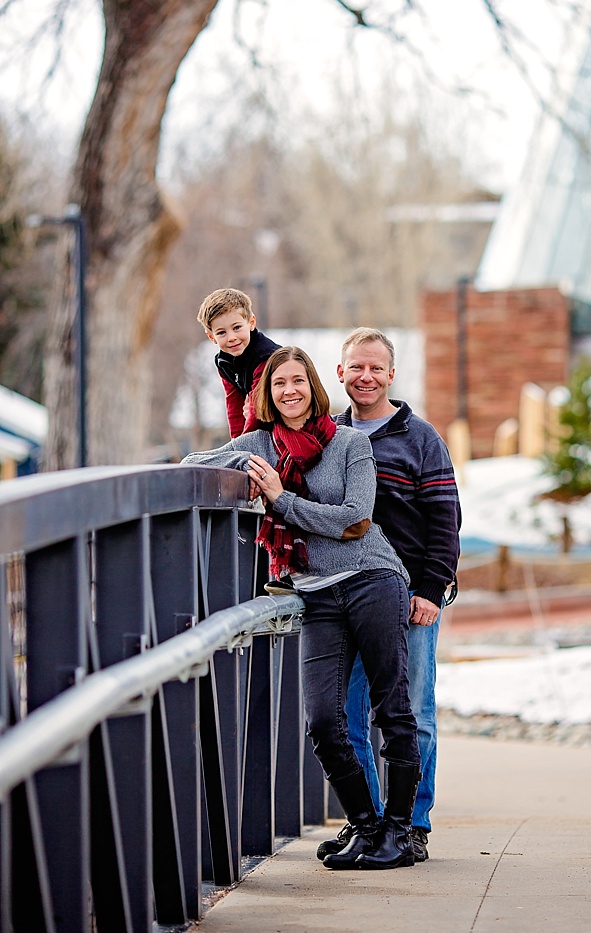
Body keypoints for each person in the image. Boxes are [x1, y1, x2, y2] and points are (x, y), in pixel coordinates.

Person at [182, 346, 422, 871]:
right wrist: (233, 467)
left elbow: (355, 519)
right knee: (322, 719)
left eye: (297, 380)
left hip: (372, 580)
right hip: (316, 592)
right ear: (265, 395)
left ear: (314, 386)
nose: (289, 390)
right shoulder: (260, 444)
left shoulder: (350, 443)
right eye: (277, 383)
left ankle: (400, 833)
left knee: (392, 708)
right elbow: (192, 466)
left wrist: (279, 498)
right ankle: (365, 827)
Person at [312, 327, 460, 867]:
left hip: (411, 599)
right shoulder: (325, 438)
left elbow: (446, 521)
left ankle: (413, 824)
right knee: (349, 716)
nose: (366, 377)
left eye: (376, 368)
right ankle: (369, 823)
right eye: (357, 367)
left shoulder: (421, 439)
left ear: (391, 375)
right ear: (340, 373)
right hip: (343, 596)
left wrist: (430, 589)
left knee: (413, 712)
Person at [197, 287, 281, 438]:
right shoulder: (224, 362)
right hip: (260, 426)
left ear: (251, 322)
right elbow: (234, 405)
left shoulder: (265, 356)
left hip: (283, 425)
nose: (231, 337)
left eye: (237, 328)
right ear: (212, 337)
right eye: (221, 332)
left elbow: (256, 408)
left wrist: (245, 443)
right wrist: (236, 442)